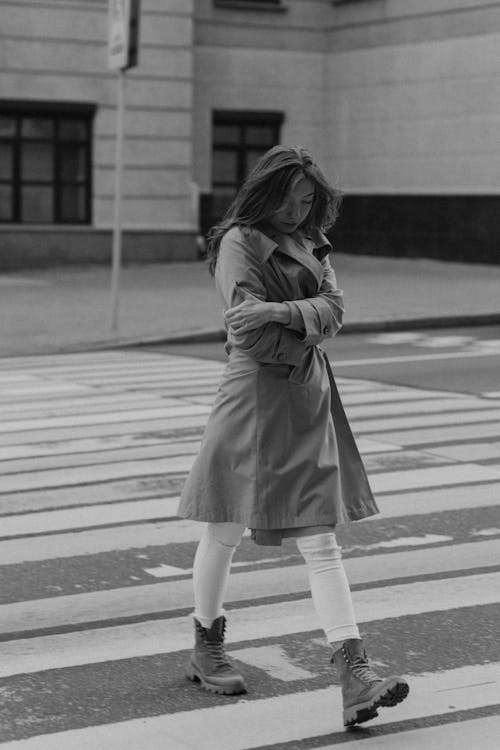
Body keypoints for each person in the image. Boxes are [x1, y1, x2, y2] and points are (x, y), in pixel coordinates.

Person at [177, 145, 409, 727]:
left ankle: (354, 673)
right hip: (253, 401)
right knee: (226, 525)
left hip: (305, 399)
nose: (298, 211)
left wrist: (284, 315)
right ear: (267, 192)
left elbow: (334, 309)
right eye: (291, 200)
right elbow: (246, 335)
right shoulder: (238, 242)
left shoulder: (311, 242)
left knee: (320, 537)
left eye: (309, 202)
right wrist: (307, 323)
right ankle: (207, 646)